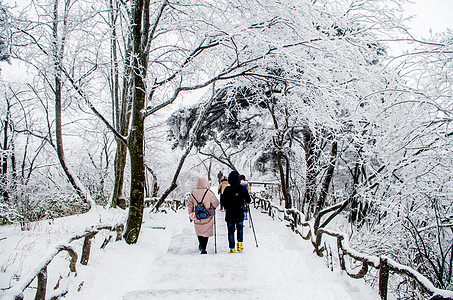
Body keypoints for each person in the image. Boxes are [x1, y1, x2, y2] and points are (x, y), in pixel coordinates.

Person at [221, 170, 251, 253]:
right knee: (240, 228)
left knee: (230, 231)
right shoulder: (242, 188)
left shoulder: (227, 189)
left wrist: (226, 207)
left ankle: (232, 248)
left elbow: (223, 202)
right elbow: (248, 199)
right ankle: (240, 244)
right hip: (239, 212)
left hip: (230, 213)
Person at [188, 177, 219, 254]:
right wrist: (212, 208)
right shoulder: (209, 193)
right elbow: (216, 203)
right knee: (206, 231)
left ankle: (201, 244)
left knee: (199, 231)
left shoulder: (193, 193)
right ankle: (204, 247)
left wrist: (190, 213)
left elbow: (190, 205)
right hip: (207, 215)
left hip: (197, 216)